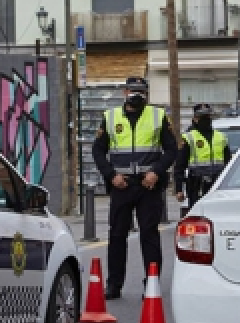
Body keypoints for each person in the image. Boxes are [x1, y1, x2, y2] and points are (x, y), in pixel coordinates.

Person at [92, 76, 177, 300]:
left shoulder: (158, 116)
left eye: (141, 91)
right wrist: (111, 175)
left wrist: (156, 172)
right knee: (117, 235)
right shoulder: (110, 117)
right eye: (133, 90)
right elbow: (98, 151)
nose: (137, 94)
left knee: (149, 235)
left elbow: (171, 150)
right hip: (122, 185)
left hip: (148, 185)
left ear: (147, 94)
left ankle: (151, 283)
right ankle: (114, 284)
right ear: (125, 92)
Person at [175, 104, 232, 211]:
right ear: (195, 119)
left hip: (218, 185)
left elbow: (229, 164)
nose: (206, 119)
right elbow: (180, 166)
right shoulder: (189, 137)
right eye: (202, 117)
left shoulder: (221, 137)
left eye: (208, 116)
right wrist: (179, 189)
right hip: (196, 185)